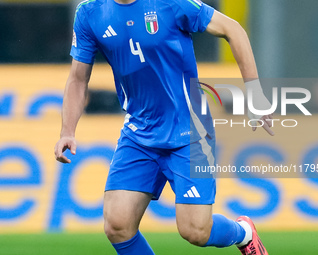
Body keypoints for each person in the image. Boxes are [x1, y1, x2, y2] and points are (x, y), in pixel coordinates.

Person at [54, 0, 274, 254]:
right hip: (139, 133)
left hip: (189, 129)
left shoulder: (171, 3)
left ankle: (244, 233)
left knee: (195, 231)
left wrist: (254, 93)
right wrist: (67, 131)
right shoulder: (90, 13)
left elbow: (233, 29)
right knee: (117, 224)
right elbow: (78, 79)